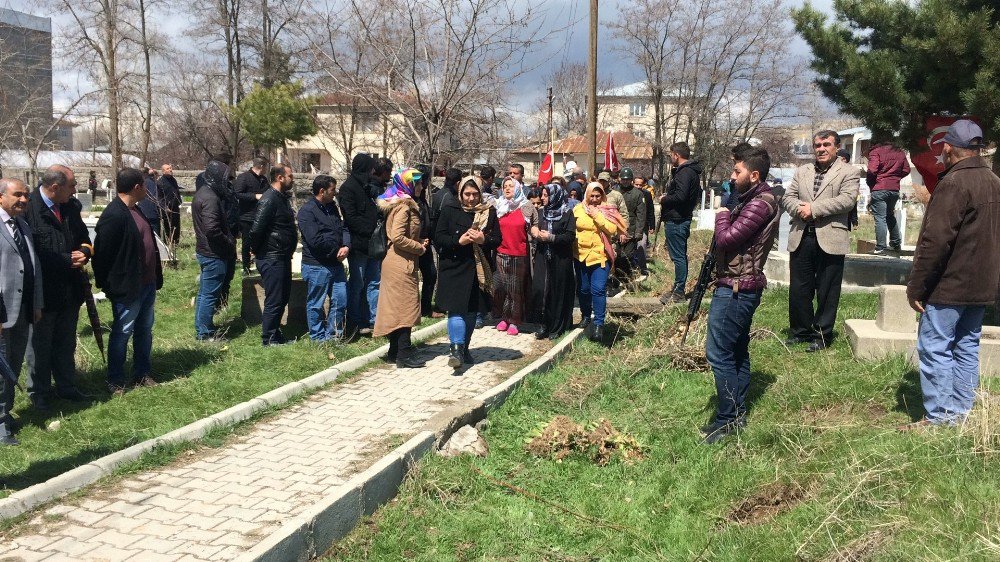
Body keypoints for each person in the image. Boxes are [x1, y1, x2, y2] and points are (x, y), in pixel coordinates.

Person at [905, 120, 1000, 429]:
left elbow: (935, 241)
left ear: (947, 149)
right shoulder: (994, 181)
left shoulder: (954, 184)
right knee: (966, 346)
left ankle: (941, 417)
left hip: (950, 284)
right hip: (982, 284)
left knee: (934, 346)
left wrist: (917, 287)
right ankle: (961, 413)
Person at [702, 146, 781, 444]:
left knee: (719, 353)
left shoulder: (761, 203)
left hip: (737, 289)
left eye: (737, 172)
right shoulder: (753, 198)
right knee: (735, 351)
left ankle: (728, 419)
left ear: (755, 174)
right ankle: (736, 414)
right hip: (736, 285)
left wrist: (721, 214)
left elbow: (726, 238)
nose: (732, 177)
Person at [779, 130, 860, 352]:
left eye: (826, 144)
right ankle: (800, 331)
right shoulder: (801, 171)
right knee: (799, 288)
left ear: (836, 147)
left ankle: (822, 335)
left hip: (831, 237)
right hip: (801, 235)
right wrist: (800, 210)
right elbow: (788, 197)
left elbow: (846, 200)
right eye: (817, 145)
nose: (821, 149)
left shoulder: (849, 172)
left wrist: (814, 209)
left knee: (827, 288)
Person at [24, 165, 93, 410]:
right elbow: (29, 253)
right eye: (72, 186)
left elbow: (84, 237)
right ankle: (39, 393)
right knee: (40, 347)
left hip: (70, 291)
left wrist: (84, 252)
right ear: (55, 187)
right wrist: (65, 260)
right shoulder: (29, 210)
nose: (75, 191)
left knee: (66, 342)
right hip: (43, 293)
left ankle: (67, 387)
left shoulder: (70, 208)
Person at [92, 168, 163, 394]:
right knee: (122, 333)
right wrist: (109, 285)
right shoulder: (114, 215)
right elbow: (102, 256)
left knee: (144, 330)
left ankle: (142, 373)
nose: (146, 189)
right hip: (127, 288)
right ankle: (116, 379)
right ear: (136, 187)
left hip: (147, 284)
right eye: (144, 185)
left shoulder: (136, 210)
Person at [435, 176, 500, 369]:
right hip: (454, 267)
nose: (471, 198)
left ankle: (464, 349)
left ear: (480, 194)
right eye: (467, 194)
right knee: (455, 310)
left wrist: (483, 240)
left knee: (472, 310)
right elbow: (439, 237)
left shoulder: (489, 211)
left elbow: (497, 239)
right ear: (460, 193)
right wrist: (458, 241)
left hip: (477, 270)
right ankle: (455, 349)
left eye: (474, 194)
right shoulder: (449, 209)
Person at [0, 178, 42, 445]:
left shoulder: (22, 225)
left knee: (13, 365)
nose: (24, 200)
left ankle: (6, 412)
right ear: (1, 196)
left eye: (26, 196)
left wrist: (36, 302)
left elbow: (32, 266)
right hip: (2, 314)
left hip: (22, 309)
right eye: (17, 195)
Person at [373, 168, 428, 369]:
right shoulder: (404, 207)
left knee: (397, 307)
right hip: (400, 263)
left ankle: (394, 351)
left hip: (397, 261)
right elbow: (397, 237)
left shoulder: (400, 204)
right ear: (409, 184)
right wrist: (419, 247)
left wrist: (419, 240)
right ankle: (404, 354)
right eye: (419, 183)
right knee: (406, 308)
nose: (421, 186)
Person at [298, 175, 351, 343]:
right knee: (316, 303)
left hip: (335, 264)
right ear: (322, 191)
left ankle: (334, 335)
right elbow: (315, 240)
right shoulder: (307, 212)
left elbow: (343, 228)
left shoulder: (332, 208)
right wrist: (336, 250)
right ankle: (318, 338)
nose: (335, 193)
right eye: (332, 190)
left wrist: (346, 246)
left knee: (340, 300)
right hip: (317, 266)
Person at [248, 165, 297, 346]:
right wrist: (257, 249)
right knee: (275, 298)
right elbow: (256, 230)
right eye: (290, 176)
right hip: (271, 256)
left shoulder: (281, 198)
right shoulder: (269, 199)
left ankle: (275, 334)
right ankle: (268, 339)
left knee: (282, 297)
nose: (293, 179)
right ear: (280, 177)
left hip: (282, 255)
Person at [192, 160, 237, 342]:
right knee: (209, 295)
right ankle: (205, 333)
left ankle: (203, 328)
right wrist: (229, 242)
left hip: (208, 251)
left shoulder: (204, 193)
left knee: (205, 293)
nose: (227, 184)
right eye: (225, 179)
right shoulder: (210, 198)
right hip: (213, 253)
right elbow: (212, 229)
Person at [573, 182, 625, 342]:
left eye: (598, 196)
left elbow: (612, 229)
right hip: (580, 255)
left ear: (602, 196)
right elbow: (571, 227)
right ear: (587, 195)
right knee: (583, 289)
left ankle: (599, 324)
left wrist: (597, 215)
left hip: (600, 256)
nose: (595, 199)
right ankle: (586, 315)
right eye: (592, 196)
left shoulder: (607, 210)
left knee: (598, 289)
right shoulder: (578, 209)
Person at [339, 153, 381, 336]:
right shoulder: (348, 188)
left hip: (373, 246)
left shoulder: (369, 187)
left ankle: (373, 320)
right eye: (371, 168)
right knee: (357, 284)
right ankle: (354, 322)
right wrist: (371, 230)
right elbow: (351, 217)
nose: (373, 171)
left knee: (374, 283)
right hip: (359, 246)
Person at [492, 176, 538, 336]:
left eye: (511, 186)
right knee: (501, 287)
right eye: (505, 186)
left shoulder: (526, 206)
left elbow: (535, 225)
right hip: (501, 252)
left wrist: (536, 233)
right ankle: (504, 317)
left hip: (519, 254)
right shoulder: (499, 206)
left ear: (518, 188)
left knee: (515, 289)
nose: (507, 188)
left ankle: (515, 321)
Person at [659, 142, 703, 304]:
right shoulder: (689, 172)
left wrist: (665, 199)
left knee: (678, 257)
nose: (671, 157)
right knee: (679, 256)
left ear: (676, 155)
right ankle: (677, 288)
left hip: (677, 220)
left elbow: (681, 196)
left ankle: (678, 292)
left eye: (671, 155)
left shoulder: (685, 173)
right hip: (680, 218)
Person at [533, 183, 576, 340]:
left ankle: (557, 326)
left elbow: (570, 236)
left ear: (555, 196)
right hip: (543, 256)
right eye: (543, 195)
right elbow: (533, 228)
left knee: (558, 291)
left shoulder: (567, 213)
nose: (543, 198)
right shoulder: (541, 212)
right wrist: (536, 233)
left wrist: (551, 238)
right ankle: (544, 324)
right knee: (542, 290)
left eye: (546, 195)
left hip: (560, 258)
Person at [866, 138, 911, 254]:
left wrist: (871, 184)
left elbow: (871, 170)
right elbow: (906, 169)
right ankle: (896, 243)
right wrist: (895, 179)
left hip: (879, 188)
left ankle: (881, 247)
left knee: (880, 218)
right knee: (890, 215)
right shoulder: (899, 152)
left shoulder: (876, 151)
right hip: (894, 189)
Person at [233, 157, 270, 275]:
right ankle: (246, 267)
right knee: (247, 243)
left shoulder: (264, 180)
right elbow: (238, 193)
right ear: (261, 166)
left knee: (261, 241)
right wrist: (255, 196)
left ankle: (260, 265)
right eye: (266, 167)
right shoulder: (244, 178)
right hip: (247, 216)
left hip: (261, 216)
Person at [413, 164, 440, 318]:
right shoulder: (410, 199)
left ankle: (425, 308)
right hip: (414, 243)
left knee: (430, 274)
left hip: (425, 243)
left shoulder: (422, 197)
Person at [616, 167, 647, 281]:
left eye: (627, 179)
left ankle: (627, 278)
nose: (625, 181)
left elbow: (641, 214)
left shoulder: (638, 194)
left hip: (631, 230)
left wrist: (639, 232)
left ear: (631, 180)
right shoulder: (615, 192)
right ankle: (617, 279)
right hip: (616, 229)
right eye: (623, 179)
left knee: (627, 255)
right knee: (617, 255)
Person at [157, 164, 183, 246]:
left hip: (175, 207)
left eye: (171, 168)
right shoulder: (160, 182)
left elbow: (176, 191)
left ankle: (175, 243)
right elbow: (159, 197)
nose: (170, 170)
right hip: (167, 209)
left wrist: (179, 201)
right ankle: (168, 243)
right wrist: (164, 207)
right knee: (168, 227)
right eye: (168, 168)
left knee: (176, 226)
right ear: (163, 171)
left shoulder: (173, 180)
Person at [138, 167, 161, 237]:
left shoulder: (140, 184)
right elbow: (155, 198)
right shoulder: (151, 183)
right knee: (155, 236)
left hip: (142, 212)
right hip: (152, 213)